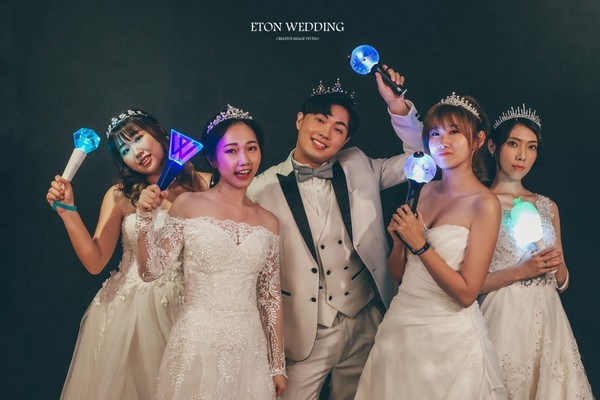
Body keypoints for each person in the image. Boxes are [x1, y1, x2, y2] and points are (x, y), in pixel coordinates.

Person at [245, 71, 424, 399]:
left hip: (367, 318)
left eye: (338, 129)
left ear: (345, 140)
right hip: (305, 330)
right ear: (300, 120)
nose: (326, 133)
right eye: (320, 120)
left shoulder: (358, 163)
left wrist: (397, 106)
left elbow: (419, 158)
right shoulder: (261, 189)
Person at [46, 109, 209, 399]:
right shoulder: (120, 195)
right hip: (131, 314)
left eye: (138, 137)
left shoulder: (207, 184)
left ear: (159, 132)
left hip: (194, 306)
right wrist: (67, 211)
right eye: (125, 150)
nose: (136, 151)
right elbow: (95, 261)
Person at [355, 93, 507, 399]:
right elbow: (398, 274)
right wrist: (400, 242)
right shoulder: (424, 190)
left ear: (477, 140)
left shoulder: (485, 204)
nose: (443, 142)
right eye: (435, 133)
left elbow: (467, 293)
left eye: (454, 132)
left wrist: (420, 244)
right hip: (400, 329)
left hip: (448, 337)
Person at [136, 104, 287, 399]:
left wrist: (277, 365)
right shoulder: (188, 204)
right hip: (197, 344)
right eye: (231, 151)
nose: (244, 160)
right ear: (212, 159)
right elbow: (150, 271)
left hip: (250, 349)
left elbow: (270, 297)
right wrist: (144, 219)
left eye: (252, 148)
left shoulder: (269, 222)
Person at [478, 105, 594, 399]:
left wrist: (555, 264)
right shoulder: (479, 203)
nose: (522, 156)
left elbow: (563, 282)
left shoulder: (546, 205)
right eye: (513, 144)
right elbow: (467, 284)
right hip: (503, 316)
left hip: (549, 318)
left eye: (531, 147)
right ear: (493, 146)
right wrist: (521, 271)